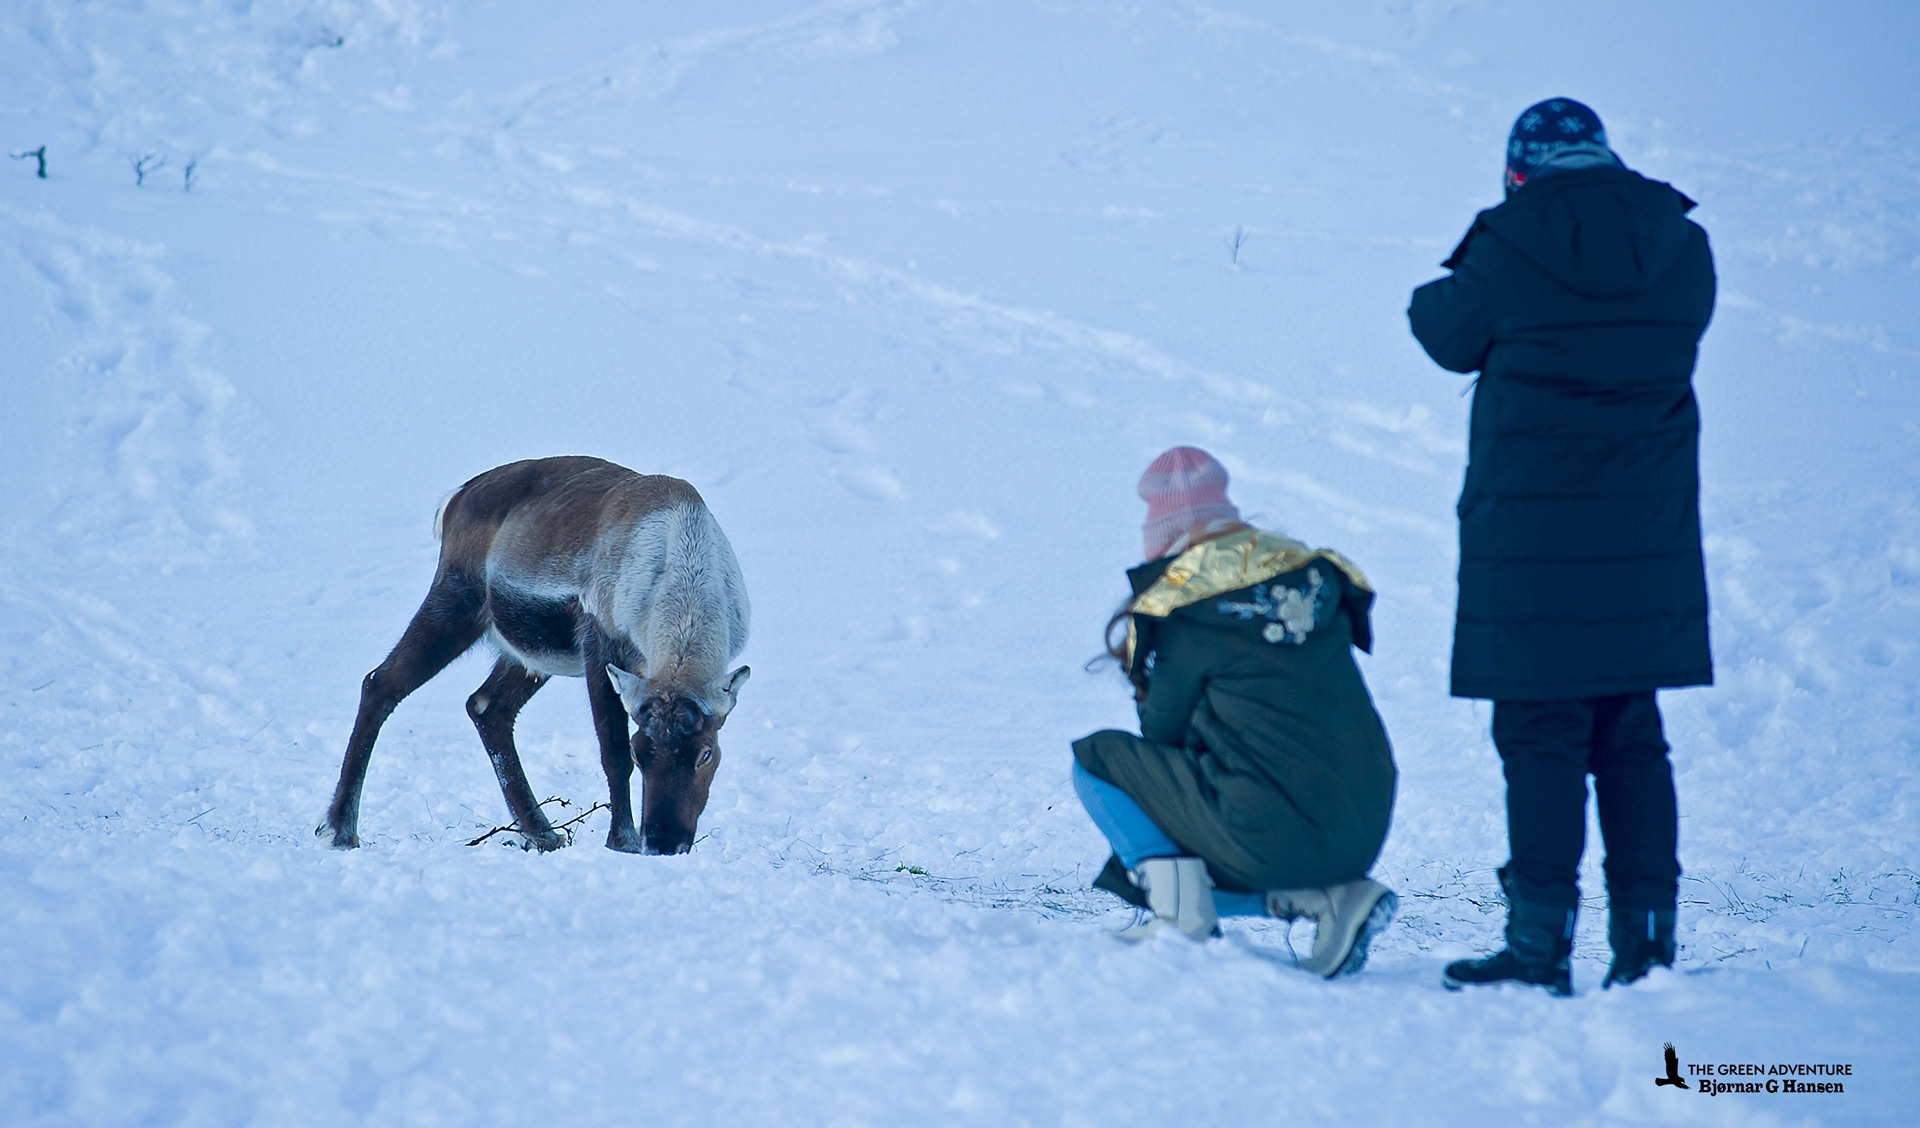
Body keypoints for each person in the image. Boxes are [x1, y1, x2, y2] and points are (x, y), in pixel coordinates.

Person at [1408, 98, 1716, 995]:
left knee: (1540, 734)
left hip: (1534, 542)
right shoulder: (1680, 243)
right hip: (1646, 537)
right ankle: (1647, 946)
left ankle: (1538, 947)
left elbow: (1445, 334)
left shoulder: (1508, 242)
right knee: (1631, 735)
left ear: (1521, 170)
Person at [1071, 447, 1399, 977]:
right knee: (1222, 808)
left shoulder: (1191, 609)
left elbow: (1162, 737)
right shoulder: (1313, 585)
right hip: (1364, 820)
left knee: (1097, 761)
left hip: (1273, 833)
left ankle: (1180, 917)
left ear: (1163, 535)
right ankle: (1327, 897)